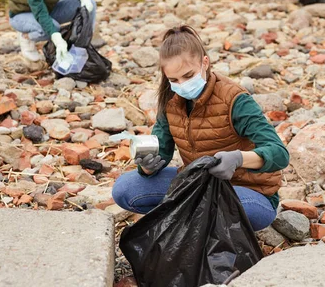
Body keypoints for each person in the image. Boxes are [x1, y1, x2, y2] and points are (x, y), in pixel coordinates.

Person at [112, 26, 289, 231]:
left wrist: (238, 158)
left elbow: (280, 153)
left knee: (211, 208)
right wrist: (147, 167)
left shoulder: (234, 99)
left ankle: (192, 220)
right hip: (197, 184)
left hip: (248, 192)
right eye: (174, 80)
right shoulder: (171, 101)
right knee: (126, 189)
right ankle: (194, 219)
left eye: (188, 75)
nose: (182, 85)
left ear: (205, 62)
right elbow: (162, 151)